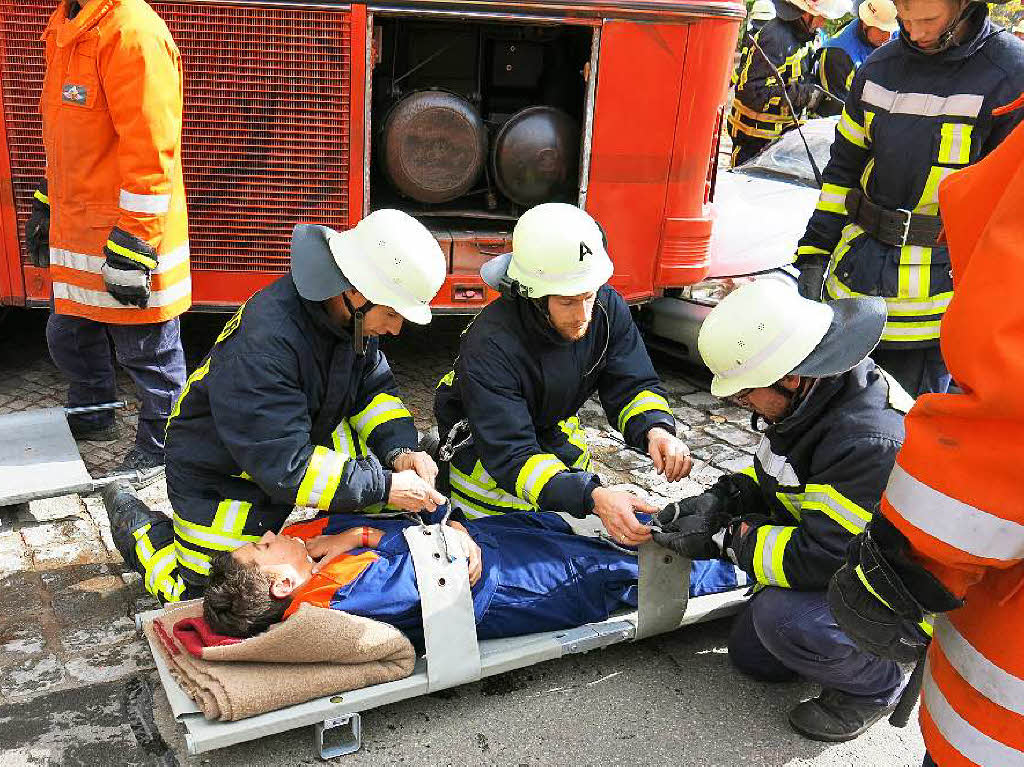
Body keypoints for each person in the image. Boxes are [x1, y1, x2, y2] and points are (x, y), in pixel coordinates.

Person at [103, 210, 447, 603]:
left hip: (288, 443)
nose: (396, 329)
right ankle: (137, 526)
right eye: (391, 314)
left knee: (374, 505)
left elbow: (373, 391)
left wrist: (402, 450)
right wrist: (384, 485)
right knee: (208, 595)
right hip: (222, 473)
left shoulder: (348, 317)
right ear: (355, 292)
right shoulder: (267, 343)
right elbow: (286, 466)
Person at [827, 93, 1024, 767]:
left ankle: (867, 687)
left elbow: (1007, 406)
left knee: (782, 627)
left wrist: (905, 566)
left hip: (998, 727)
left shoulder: (860, 432)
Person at [651, 280, 914, 742]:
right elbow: (781, 480)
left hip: (896, 591)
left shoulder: (866, 441)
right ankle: (837, 647)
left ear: (790, 376)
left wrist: (726, 540)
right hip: (844, 559)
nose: (742, 403)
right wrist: (723, 499)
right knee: (754, 656)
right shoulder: (813, 400)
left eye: (746, 393)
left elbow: (823, 557)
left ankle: (879, 683)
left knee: (784, 620)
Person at [794, 0, 1024, 396]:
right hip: (852, 293)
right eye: (904, 17)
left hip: (935, 312)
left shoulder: (1011, 75)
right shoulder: (877, 69)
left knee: (907, 440)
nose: (914, 33)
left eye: (928, 19)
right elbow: (842, 174)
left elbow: (1010, 214)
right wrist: (813, 254)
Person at [433, 203, 691, 548]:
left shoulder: (605, 307)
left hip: (552, 438)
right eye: (567, 303)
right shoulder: (490, 344)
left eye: (588, 296)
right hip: (490, 473)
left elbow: (632, 383)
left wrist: (656, 430)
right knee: (509, 556)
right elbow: (511, 454)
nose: (583, 314)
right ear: (533, 296)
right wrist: (593, 496)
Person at [26, 0, 192, 482]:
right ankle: (94, 413)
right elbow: (71, 140)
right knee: (69, 335)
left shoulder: (132, 33)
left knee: (150, 353)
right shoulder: (69, 28)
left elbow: (151, 152)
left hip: (125, 235)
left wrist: (135, 243)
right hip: (80, 232)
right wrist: (47, 201)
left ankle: (163, 447)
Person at [201, 507, 743, 642]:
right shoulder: (341, 602)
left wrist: (342, 534)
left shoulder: (319, 574)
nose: (272, 536)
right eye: (263, 547)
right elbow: (429, 573)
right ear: (280, 585)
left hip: (508, 552)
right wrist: (363, 537)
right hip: (521, 588)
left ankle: (734, 534)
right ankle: (745, 567)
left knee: (602, 546)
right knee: (627, 572)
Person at [728, 0, 852, 167]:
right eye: (821, 17)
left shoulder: (802, 37)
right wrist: (802, 94)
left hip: (779, 141)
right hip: (754, 143)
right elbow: (751, 92)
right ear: (806, 13)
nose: (823, 24)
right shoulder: (775, 38)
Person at [814, 0, 899, 116]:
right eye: (882, 31)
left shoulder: (893, 31)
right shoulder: (838, 56)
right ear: (865, 24)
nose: (888, 37)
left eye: (891, 31)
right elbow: (839, 112)